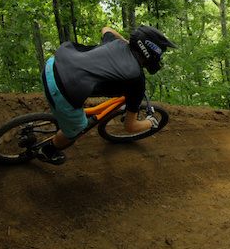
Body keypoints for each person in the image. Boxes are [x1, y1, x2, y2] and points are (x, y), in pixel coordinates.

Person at [38, 25, 177, 165]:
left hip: (52, 65)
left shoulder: (116, 43)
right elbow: (130, 127)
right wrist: (150, 122)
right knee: (77, 129)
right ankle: (47, 151)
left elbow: (106, 29)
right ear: (152, 53)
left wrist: (124, 41)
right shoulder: (136, 79)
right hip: (61, 91)